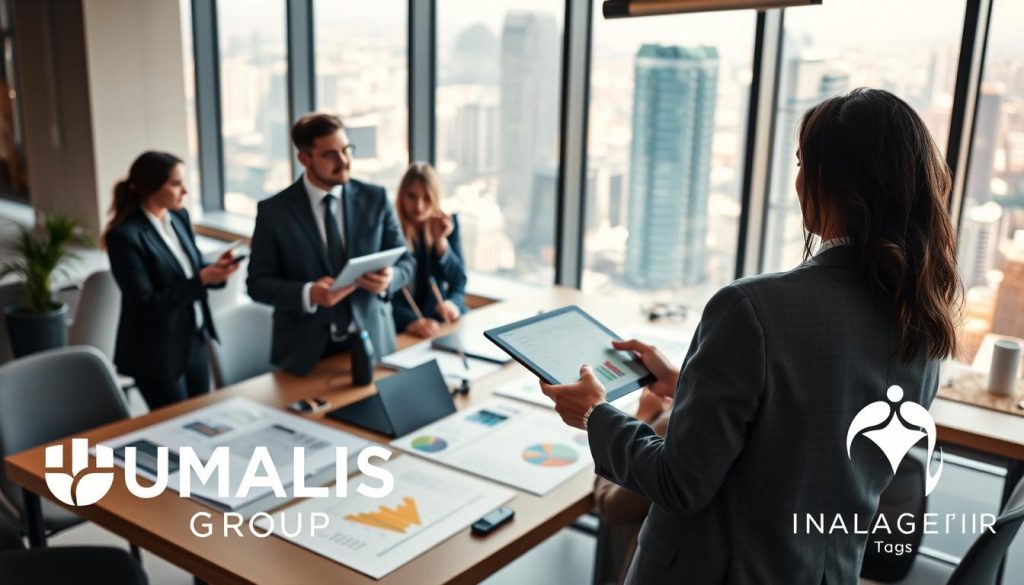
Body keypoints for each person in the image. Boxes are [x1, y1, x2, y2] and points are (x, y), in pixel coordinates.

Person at [541, 88, 962, 584]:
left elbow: (678, 482)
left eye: (803, 162)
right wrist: (684, 382)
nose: (798, 178)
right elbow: (810, 433)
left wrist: (594, 415)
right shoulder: (924, 322)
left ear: (828, 181)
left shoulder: (751, 309)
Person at [247, 113, 415, 375]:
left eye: (346, 150)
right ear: (305, 158)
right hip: (304, 353)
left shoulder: (375, 198)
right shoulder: (274, 212)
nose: (344, 161)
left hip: (374, 343)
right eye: (330, 155)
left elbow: (407, 262)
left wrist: (390, 278)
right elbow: (257, 284)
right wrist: (308, 293)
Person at [104, 151, 240, 410]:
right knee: (174, 432)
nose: (185, 191)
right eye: (176, 184)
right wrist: (201, 280)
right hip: (157, 351)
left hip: (194, 339)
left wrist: (215, 271)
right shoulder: (124, 237)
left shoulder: (178, 217)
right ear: (151, 186)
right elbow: (145, 303)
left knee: (203, 418)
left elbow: (190, 269)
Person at [391, 162, 467, 338]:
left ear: (436, 199)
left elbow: (459, 281)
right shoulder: (390, 229)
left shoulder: (447, 224)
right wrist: (409, 321)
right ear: (401, 196)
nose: (418, 206)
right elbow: (382, 293)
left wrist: (440, 240)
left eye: (426, 198)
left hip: (439, 327)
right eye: (412, 196)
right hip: (403, 330)